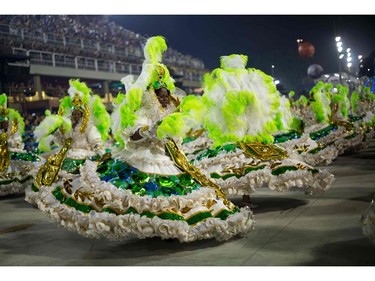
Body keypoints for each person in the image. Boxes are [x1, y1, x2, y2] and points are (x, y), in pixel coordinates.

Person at [28, 36, 254, 243]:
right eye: (160, 93)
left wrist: (170, 137)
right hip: (143, 156)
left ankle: (167, 227)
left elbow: (177, 139)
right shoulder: (145, 110)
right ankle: (151, 228)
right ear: (154, 95)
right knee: (139, 196)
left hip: (170, 158)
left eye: (167, 92)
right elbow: (132, 134)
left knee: (175, 196)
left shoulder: (174, 113)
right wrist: (151, 131)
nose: (164, 96)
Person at [187, 54, 334, 204]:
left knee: (245, 162)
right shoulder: (229, 84)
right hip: (234, 134)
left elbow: (258, 109)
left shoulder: (246, 83)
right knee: (238, 164)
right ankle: (244, 193)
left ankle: (245, 194)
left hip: (247, 133)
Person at [25, 79, 111, 204]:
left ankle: (72, 195)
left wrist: (99, 150)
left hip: (84, 154)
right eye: (74, 113)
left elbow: (95, 141)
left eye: (78, 114)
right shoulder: (68, 126)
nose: (75, 116)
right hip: (67, 152)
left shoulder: (88, 127)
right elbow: (62, 141)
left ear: (82, 115)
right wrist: (56, 132)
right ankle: (51, 193)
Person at [0, 93, 41, 196]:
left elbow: (17, 141)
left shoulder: (13, 130)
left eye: (6, 122)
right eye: (2, 122)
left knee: (25, 159)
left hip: (11, 150)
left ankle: (19, 185)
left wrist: (10, 142)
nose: (4, 124)